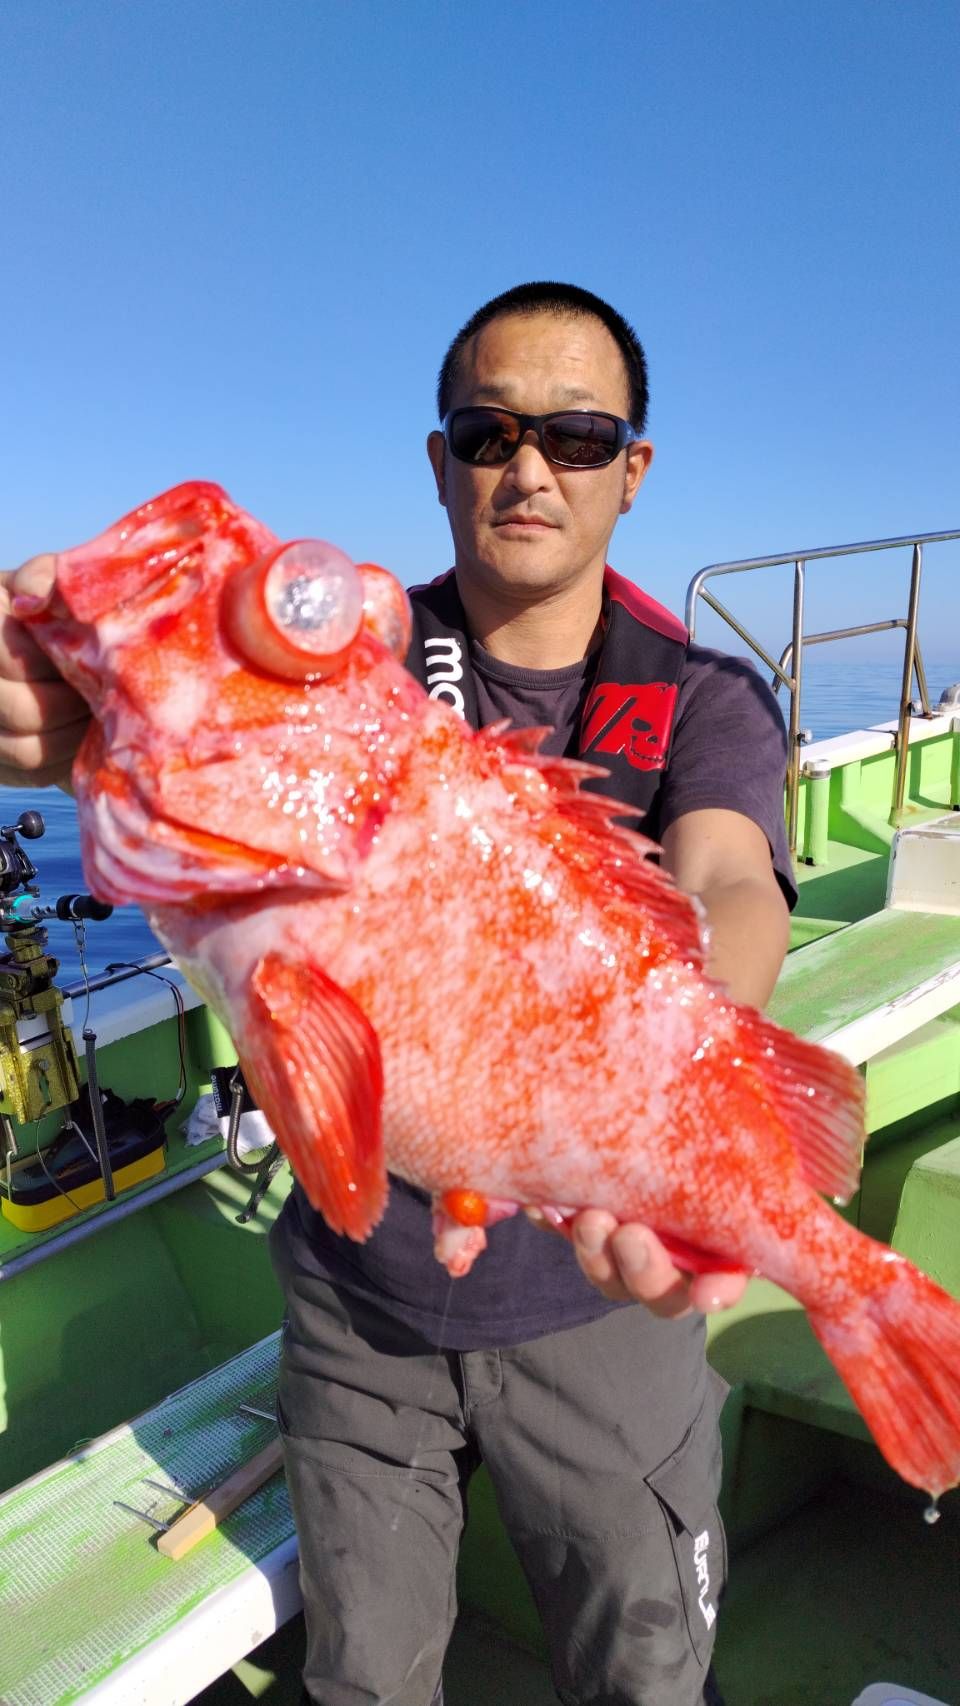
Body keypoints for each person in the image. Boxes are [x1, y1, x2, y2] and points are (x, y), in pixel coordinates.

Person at [0, 282, 794, 1706]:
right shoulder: (334, 667)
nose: (530, 467)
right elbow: (216, 790)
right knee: (363, 1678)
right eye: (489, 433)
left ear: (633, 470)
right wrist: (82, 724)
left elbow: (730, 876)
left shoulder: (702, 695)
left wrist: (665, 1076)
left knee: (648, 1675)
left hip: (597, 1308)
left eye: (577, 435)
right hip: (357, 1302)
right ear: (439, 462)